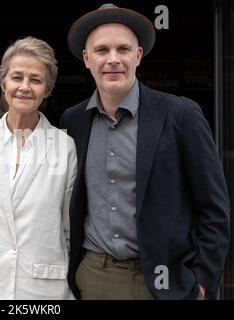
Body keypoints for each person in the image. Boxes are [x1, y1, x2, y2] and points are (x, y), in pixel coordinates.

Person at [61, 3, 230, 300]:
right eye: (102, 51)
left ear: (138, 56)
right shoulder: (73, 121)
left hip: (167, 283)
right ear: (87, 59)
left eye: (123, 49)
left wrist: (202, 281)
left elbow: (214, 208)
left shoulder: (181, 114)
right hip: (93, 277)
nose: (113, 60)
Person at [0, 36, 77, 299]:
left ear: (47, 89)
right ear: (3, 83)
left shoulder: (65, 147)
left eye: (35, 80)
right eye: (17, 77)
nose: (24, 87)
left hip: (44, 289)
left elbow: (69, 227)